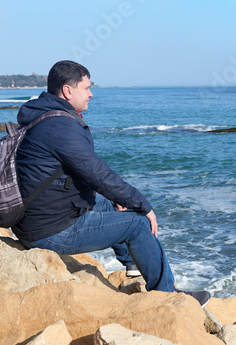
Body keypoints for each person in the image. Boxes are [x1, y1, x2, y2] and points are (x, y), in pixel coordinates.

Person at [11, 60, 210, 306]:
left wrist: (120, 197)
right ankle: (167, 297)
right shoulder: (59, 126)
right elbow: (95, 171)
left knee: (111, 203)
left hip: (35, 219)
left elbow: (82, 172)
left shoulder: (44, 115)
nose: (91, 93)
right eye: (87, 88)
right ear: (67, 91)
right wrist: (143, 205)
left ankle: (133, 263)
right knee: (137, 222)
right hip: (49, 231)